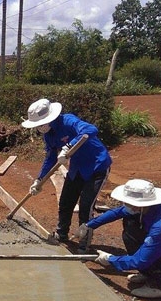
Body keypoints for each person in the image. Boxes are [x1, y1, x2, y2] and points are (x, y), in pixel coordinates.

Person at [21, 98, 111, 253]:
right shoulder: (48, 135)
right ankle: (62, 234)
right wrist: (39, 180)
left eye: (40, 124)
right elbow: (50, 158)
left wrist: (69, 146)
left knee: (85, 207)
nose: (39, 128)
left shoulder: (69, 121)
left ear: (50, 119)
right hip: (77, 168)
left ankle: (84, 244)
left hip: (96, 166)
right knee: (65, 202)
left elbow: (91, 130)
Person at [89, 179, 161, 299]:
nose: (124, 205)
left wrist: (110, 259)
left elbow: (139, 260)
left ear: (138, 204)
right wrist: (89, 225)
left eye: (127, 202)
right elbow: (118, 212)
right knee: (131, 223)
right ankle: (148, 272)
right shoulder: (153, 207)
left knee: (144, 253)